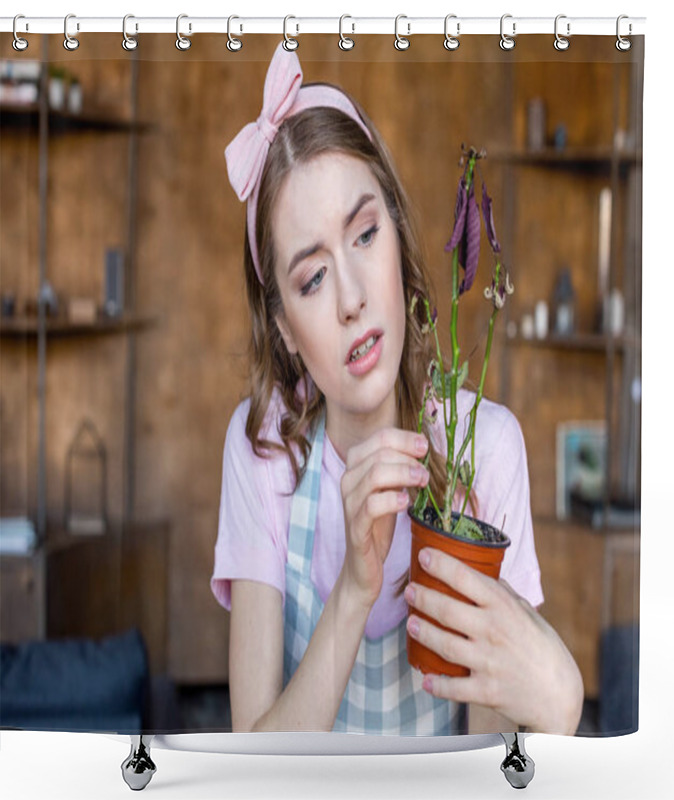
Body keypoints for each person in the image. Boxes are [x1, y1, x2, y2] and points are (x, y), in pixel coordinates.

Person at [211, 42, 583, 737]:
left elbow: (490, 760)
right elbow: (249, 774)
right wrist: (355, 586)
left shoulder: (486, 451)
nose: (351, 298)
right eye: (312, 279)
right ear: (285, 328)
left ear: (401, 239)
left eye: (365, 234)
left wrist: (557, 696)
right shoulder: (263, 448)